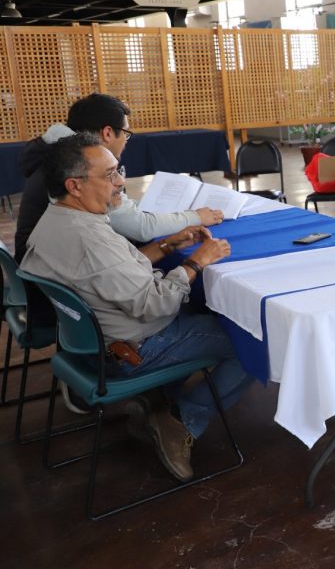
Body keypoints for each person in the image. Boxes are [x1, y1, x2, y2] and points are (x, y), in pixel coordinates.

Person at [20, 133, 252, 481]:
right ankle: (182, 419)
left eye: (119, 170)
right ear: (75, 185)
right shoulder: (91, 240)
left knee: (208, 311)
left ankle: (158, 400)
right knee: (250, 342)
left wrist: (167, 245)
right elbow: (155, 305)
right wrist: (197, 262)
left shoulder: (56, 219)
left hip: (89, 345)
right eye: (109, 174)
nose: (120, 182)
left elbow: (113, 273)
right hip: (132, 350)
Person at [15, 92, 222, 261]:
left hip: (44, 263)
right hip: (52, 274)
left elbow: (123, 213)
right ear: (107, 133)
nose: (126, 140)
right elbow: (140, 227)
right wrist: (196, 217)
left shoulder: (60, 152)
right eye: (126, 133)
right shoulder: (73, 165)